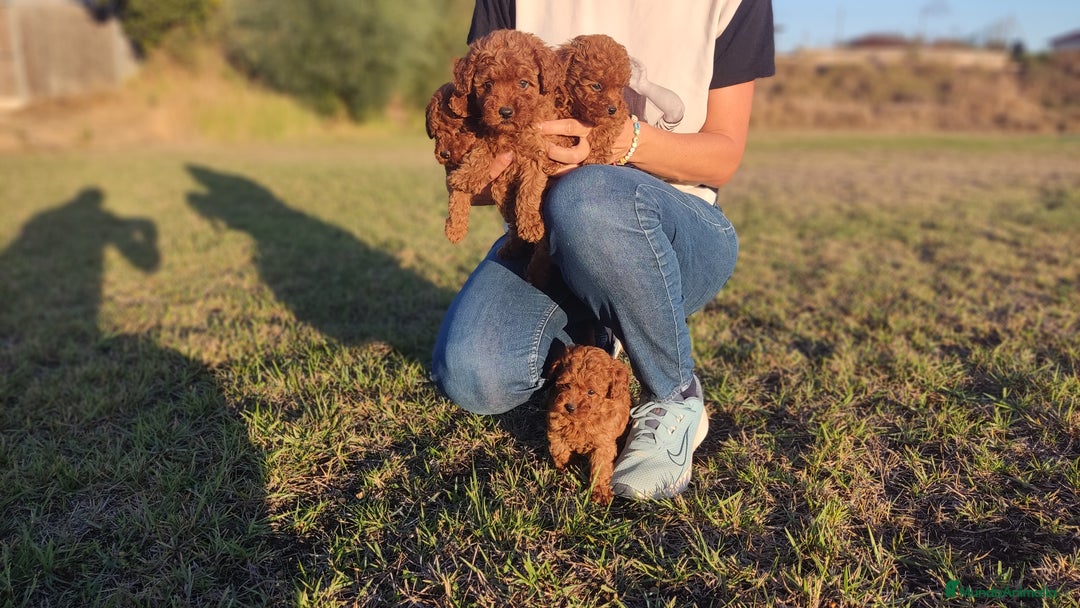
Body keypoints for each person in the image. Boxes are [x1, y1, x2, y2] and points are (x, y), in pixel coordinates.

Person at [431, 0, 775, 500]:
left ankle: (674, 395)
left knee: (588, 195)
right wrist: (503, 163)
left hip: (682, 231)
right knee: (473, 374)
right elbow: (478, 142)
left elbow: (722, 158)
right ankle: (602, 324)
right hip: (551, 233)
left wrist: (616, 144)